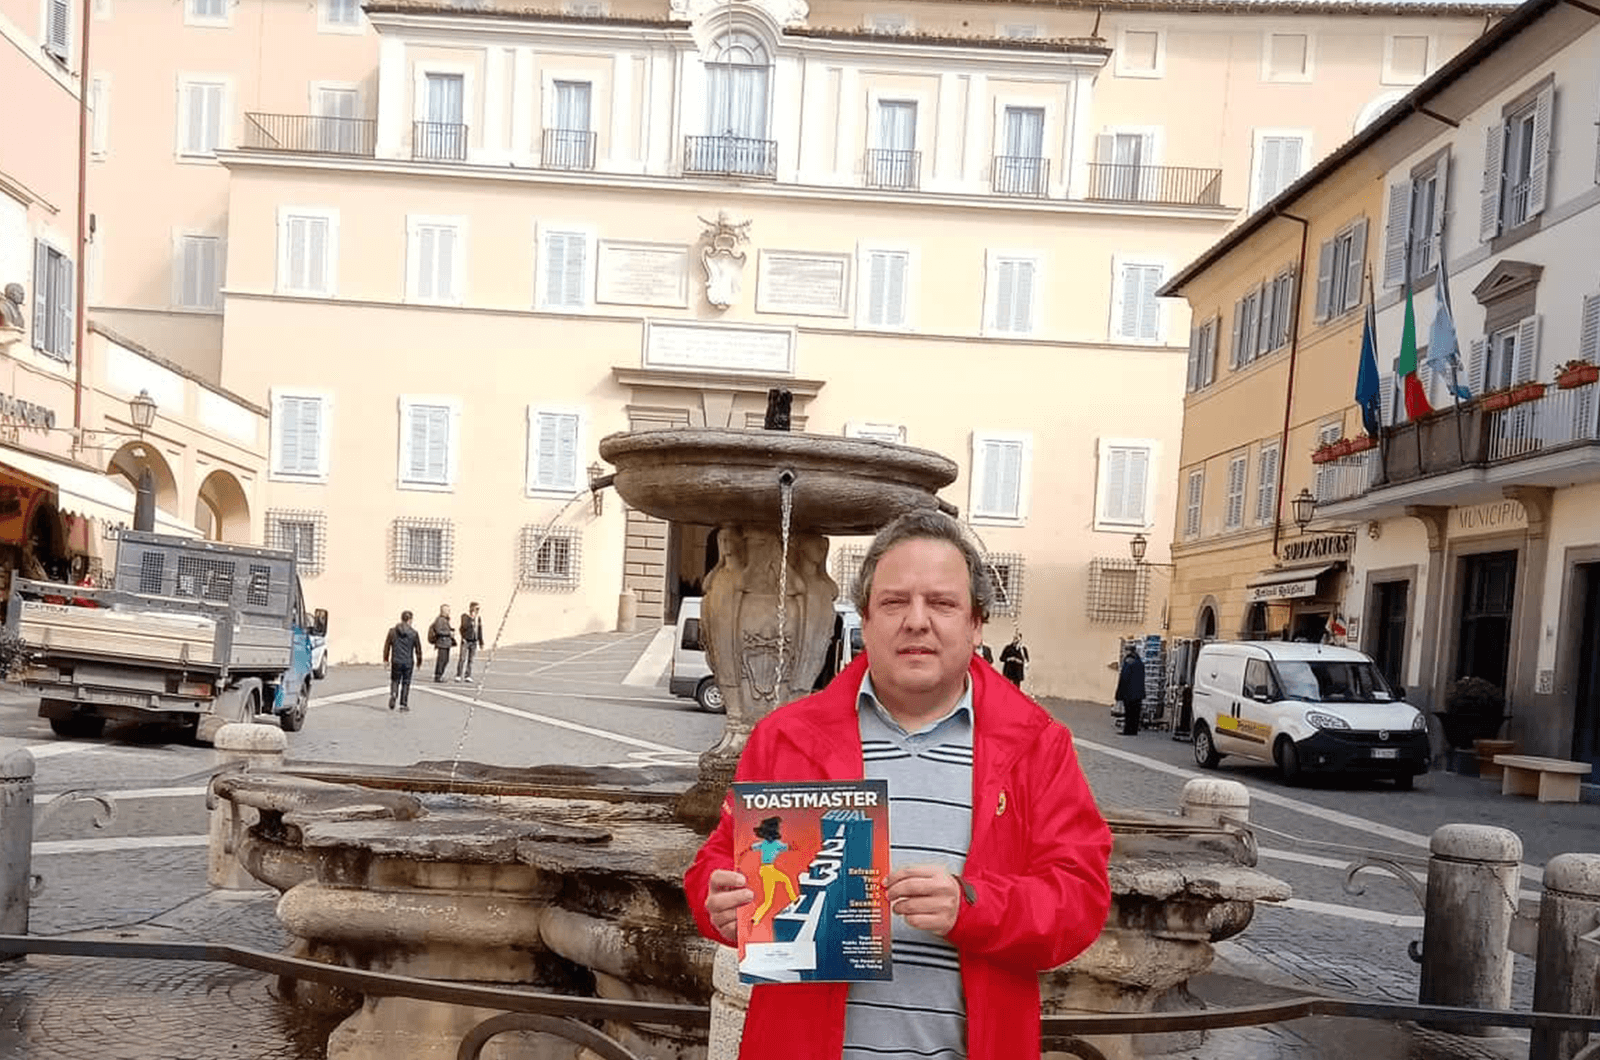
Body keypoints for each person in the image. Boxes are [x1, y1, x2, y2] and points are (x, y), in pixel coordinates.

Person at [685, 510, 1111, 1060]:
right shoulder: (787, 738)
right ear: (865, 617)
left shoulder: (1035, 745)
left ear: (976, 622)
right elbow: (716, 866)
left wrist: (971, 906)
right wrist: (715, 901)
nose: (916, 621)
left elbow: (1080, 901)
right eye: (894, 602)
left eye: (941, 602)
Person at [382, 611, 423, 711]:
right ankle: (403, 704)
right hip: (408, 662)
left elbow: (387, 646)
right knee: (406, 682)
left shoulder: (392, 631)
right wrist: (419, 661)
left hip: (396, 660)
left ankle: (394, 693)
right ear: (410, 620)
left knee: (395, 680)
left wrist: (386, 659)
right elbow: (418, 649)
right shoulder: (414, 633)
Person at [1115, 645, 1146, 737]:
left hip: (1129, 693)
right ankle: (1134, 730)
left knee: (1129, 713)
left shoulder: (1128, 662)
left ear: (1128, 651)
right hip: (1139, 693)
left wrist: (1119, 693)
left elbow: (1124, 678)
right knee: (1135, 713)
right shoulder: (1140, 662)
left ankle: (1128, 730)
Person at [456, 601, 484, 682]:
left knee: (471, 659)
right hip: (466, 640)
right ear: (472, 608)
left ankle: (468, 675)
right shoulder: (465, 617)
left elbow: (479, 630)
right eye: (476, 608)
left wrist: (481, 641)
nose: (477, 610)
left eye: (478, 609)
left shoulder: (478, 618)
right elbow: (463, 627)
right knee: (462, 658)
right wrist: (471, 619)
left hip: (474, 641)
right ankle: (458, 674)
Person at [427, 604, 455, 683]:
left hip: (446, 643)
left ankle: (440, 675)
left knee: (445, 660)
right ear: (443, 611)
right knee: (442, 660)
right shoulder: (439, 620)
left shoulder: (445, 619)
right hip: (442, 643)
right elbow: (438, 631)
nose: (449, 612)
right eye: (448, 610)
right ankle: (438, 676)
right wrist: (448, 633)